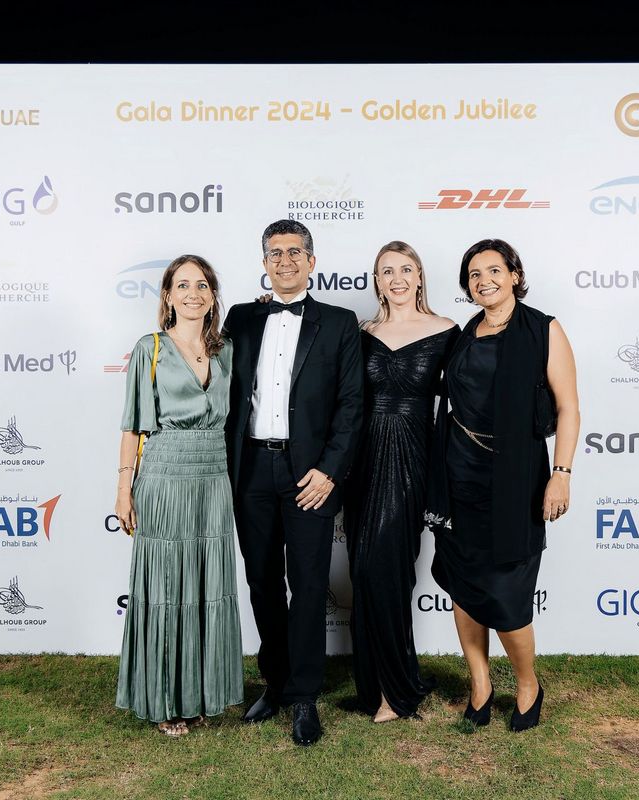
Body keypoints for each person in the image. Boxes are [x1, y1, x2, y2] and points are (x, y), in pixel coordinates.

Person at [425, 239, 579, 733]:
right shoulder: (464, 333)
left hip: (516, 478)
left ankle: (528, 684)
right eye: (474, 274)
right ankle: (480, 685)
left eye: (494, 270)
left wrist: (562, 474)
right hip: (458, 472)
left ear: (515, 274)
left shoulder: (543, 329)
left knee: (509, 594)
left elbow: (569, 408)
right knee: (464, 587)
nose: (484, 280)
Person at [223, 219, 364, 746]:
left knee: (307, 585)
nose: (284, 261)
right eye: (275, 253)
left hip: (310, 474)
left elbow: (351, 404)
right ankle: (276, 682)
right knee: (262, 582)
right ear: (265, 263)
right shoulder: (241, 317)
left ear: (311, 261)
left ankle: (305, 695)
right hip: (252, 468)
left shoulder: (340, 322)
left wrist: (329, 470)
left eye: (294, 252)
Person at [114, 255, 244, 737]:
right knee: (168, 588)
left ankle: (200, 695)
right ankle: (165, 701)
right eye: (183, 285)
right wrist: (123, 489)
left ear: (213, 296)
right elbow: (132, 426)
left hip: (214, 477)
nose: (193, 293)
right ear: (168, 296)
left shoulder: (227, 350)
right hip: (165, 476)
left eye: (202, 285)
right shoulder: (149, 348)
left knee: (208, 586)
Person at [343, 241, 455, 723]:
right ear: (377, 280)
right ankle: (376, 683)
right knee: (363, 571)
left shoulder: (447, 330)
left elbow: (468, 394)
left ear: (420, 276)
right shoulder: (361, 333)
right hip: (363, 461)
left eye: (406, 269)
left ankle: (395, 690)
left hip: (412, 458)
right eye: (387, 271)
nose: (397, 279)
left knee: (388, 571)